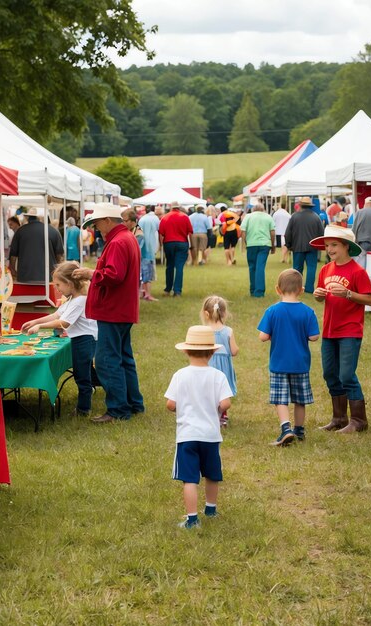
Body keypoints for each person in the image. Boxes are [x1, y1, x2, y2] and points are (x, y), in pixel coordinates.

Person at [72, 203, 144, 423]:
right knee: (123, 357)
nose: (96, 228)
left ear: (108, 221)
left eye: (97, 223)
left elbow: (113, 276)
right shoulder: (126, 238)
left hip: (113, 309)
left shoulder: (118, 242)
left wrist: (90, 273)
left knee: (106, 360)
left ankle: (118, 409)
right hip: (121, 309)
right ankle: (133, 403)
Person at [165, 325, 233, 529]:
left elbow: (170, 404)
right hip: (211, 435)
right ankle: (211, 509)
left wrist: (179, 406)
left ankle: (192, 519)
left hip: (187, 435)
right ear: (213, 352)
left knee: (189, 479)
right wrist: (217, 409)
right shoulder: (218, 376)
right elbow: (226, 403)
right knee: (212, 474)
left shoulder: (180, 375)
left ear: (185, 350)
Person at [311, 226, 371, 433]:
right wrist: (318, 295)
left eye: (334, 245)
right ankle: (339, 418)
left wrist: (348, 294)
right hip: (330, 329)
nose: (329, 249)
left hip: (350, 330)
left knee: (346, 374)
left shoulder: (357, 271)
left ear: (347, 247)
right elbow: (320, 297)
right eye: (327, 245)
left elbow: (370, 298)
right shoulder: (325, 270)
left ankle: (359, 420)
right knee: (330, 373)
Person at [22, 261, 98, 417]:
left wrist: (40, 327)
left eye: (58, 285)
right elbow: (56, 314)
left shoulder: (80, 301)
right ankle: (102, 387)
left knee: (82, 375)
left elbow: (63, 322)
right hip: (80, 339)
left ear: (69, 284)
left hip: (85, 340)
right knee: (85, 371)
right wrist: (35, 321)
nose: (57, 289)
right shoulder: (72, 300)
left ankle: (84, 409)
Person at [258, 269, 320, 446]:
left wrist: (272, 334)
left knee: (281, 399)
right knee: (300, 399)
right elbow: (314, 336)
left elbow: (262, 336)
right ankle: (299, 430)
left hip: (279, 363)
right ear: (301, 289)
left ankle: (286, 428)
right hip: (300, 364)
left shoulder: (272, 311)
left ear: (278, 289)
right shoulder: (308, 311)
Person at [201, 295, 238, 428]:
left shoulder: (204, 331)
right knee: (222, 392)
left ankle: (208, 414)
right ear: (224, 313)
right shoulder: (228, 331)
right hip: (224, 368)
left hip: (208, 366)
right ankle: (222, 416)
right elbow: (234, 351)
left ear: (206, 313)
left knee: (209, 390)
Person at [9, 208, 64, 284]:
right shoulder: (53, 231)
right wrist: (58, 272)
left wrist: (13, 271)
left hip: (24, 277)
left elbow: (13, 255)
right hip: (48, 277)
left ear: (28, 217)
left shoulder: (20, 231)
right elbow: (60, 256)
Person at [284, 197, 324, 294]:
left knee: (297, 269)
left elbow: (287, 233)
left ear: (300, 205)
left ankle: (296, 288)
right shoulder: (316, 217)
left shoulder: (294, 216)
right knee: (311, 268)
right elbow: (321, 233)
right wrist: (319, 246)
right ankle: (309, 289)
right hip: (312, 247)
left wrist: (288, 245)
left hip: (297, 247)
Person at [240, 203, 276, 297]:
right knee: (260, 267)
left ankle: (253, 290)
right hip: (265, 245)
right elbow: (272, 232)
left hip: (251, 244)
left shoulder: (248, 217)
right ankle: (259, 292)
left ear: (253, 209)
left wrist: (245, 243)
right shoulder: (268, 217)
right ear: (263, 209)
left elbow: (243, 231)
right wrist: (273, 245)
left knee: (252, 267)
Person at [158, 201, 192, 297]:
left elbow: (161, 233)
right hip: (182, 243)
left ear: (171, 207)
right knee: (179, 267)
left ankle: (168, 289)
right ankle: (177, 291)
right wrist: (190, 245)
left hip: (169, 243)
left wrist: (161, 246)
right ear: (179, 207)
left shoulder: (165, 217)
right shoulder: (185, 217)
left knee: (169, 266)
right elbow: (190, 231)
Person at [138, 205, 160, 301]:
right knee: (148, 272)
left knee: (142, 272)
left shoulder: (142, 219)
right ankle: (148, 294)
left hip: (141, 248)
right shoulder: (155, 219)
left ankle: (142, 292)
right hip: (150, 249)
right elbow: (158, 233)